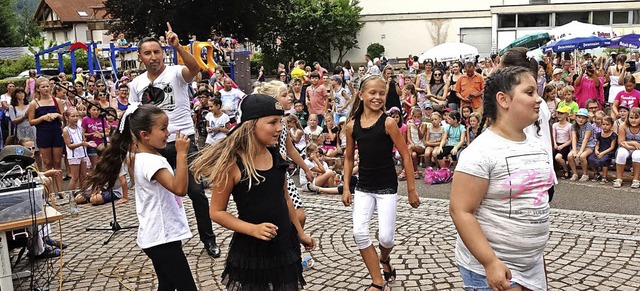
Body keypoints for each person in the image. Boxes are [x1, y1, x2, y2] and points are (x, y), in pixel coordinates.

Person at [190, 94, 316, 290]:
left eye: (280, 122)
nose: (279, 128)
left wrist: (300, 233)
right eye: (272, 122)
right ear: (251, 125)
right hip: (252, 248)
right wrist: (253, 229)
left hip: (284, 243)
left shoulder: (277, 156)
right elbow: (216, 212)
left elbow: (285, 199)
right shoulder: (232, 165)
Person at [450, 67, 552, 291]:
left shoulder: (536, 144)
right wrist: (490, 262)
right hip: (494, 267)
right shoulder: (480, 152)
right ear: (503, 100)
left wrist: (537, 258)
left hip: (531, 266)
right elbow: (460, 210)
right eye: (529, 92)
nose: (538, 99)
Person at [127, 24, 221, 258]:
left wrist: (178, 46)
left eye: (157, 52)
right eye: (147, 53)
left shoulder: (176, 73)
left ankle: (208, 239)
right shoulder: (136, 85)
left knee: (196, 193)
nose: (153, 57)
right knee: (159, 196)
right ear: (140, 58)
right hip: (152, 149)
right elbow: (133, 118)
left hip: (182, 142)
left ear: (163, 53)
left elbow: (195, 67)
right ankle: (168, 240)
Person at [85, 104, 197, 290]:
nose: (168, 133)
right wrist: (182, 153)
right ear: (144, 135)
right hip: (162, 237)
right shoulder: (152, 162)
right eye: (162, 129)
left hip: (158, 236)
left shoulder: (142, 157)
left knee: (167, 285)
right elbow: (180, 189)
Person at [341, 75, 420, 291]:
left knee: (386, 238)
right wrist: (346, 187)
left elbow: (405, 155)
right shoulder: (351, 126)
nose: (377, 97)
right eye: (372, 93)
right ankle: (377, 281)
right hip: (363, 186)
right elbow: (348, 158)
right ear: (361, 95)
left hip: (386, 187)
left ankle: (385, 258)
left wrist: (411, 190)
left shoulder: (388, 122)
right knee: (359, 232)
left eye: (381, 93)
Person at [28, 78, 64, 198]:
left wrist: (57, 115)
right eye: (43, 87)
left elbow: (64, 117)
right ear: (38, 88)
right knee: (48, 162)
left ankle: (61, 190)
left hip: (56, 132)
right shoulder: (34, 103)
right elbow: (31, 121)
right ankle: (51, 191)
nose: (46, 89)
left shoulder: (56, 100)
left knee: (58, 161)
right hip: (43, 133)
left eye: (48, 86)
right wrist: (43, 118)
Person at [62, 108, 95, 193]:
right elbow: (69, 145)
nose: (76, 118)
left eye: (77, 116)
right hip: (74, 156)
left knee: (83, 175)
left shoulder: (80, 128)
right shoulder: (66, 130)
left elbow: (83, 140)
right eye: (73, 116)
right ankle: (71, 195)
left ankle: (83, 192)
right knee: (75, 177)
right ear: (67, 118)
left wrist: (88, 143)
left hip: (82, 154)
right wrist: (82, 144)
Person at [613, 107, 640, 188]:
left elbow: (625, 143)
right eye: (631, 118)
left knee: (637, 155)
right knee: (621, 153)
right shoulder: (623, 126)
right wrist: (633, 143)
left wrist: (628, 145)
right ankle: (619, 178)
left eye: (636, 118)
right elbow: (621, 141)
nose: (633, 120)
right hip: (627, 147)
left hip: (635, 149)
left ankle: (636, 179)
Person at [568, 108, 596, 182]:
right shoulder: (573, 125)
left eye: (583, 118)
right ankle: (575, 174)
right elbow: (573, 138)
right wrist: (574, 150)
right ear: (576, 117)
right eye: (579, 117)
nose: (581, 120)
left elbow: (586, 139)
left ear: (586, 119)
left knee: (582, 156)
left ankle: (585, 174)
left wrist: (580, 152)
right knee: (570, 156)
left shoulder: (588, 125)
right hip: (578, 144)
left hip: (589, 144)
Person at [588, 116, 617, 184]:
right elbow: (597, 144)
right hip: (600, 150)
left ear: (611, 125)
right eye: (603, 124)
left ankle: (604, 176)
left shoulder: (613, 135)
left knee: (604, 160)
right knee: (590, 158)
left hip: (608, 151)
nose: (605, 126)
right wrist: (596, 150)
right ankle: (596, 173)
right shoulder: (599, 134)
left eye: (607, 124)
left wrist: (602, 153)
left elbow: (612, 147)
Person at [553, 106, 573, 179]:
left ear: (566, 114)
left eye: (561, 113)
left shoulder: (570, 126)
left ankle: (566, 170)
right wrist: (555, 144)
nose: (559, 115)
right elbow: (554, 136)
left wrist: (563, 146)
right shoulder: (555, 125)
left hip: (565, 145)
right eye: (558, 113)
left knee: (558, 157)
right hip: (557, 144)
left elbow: (571, 139)